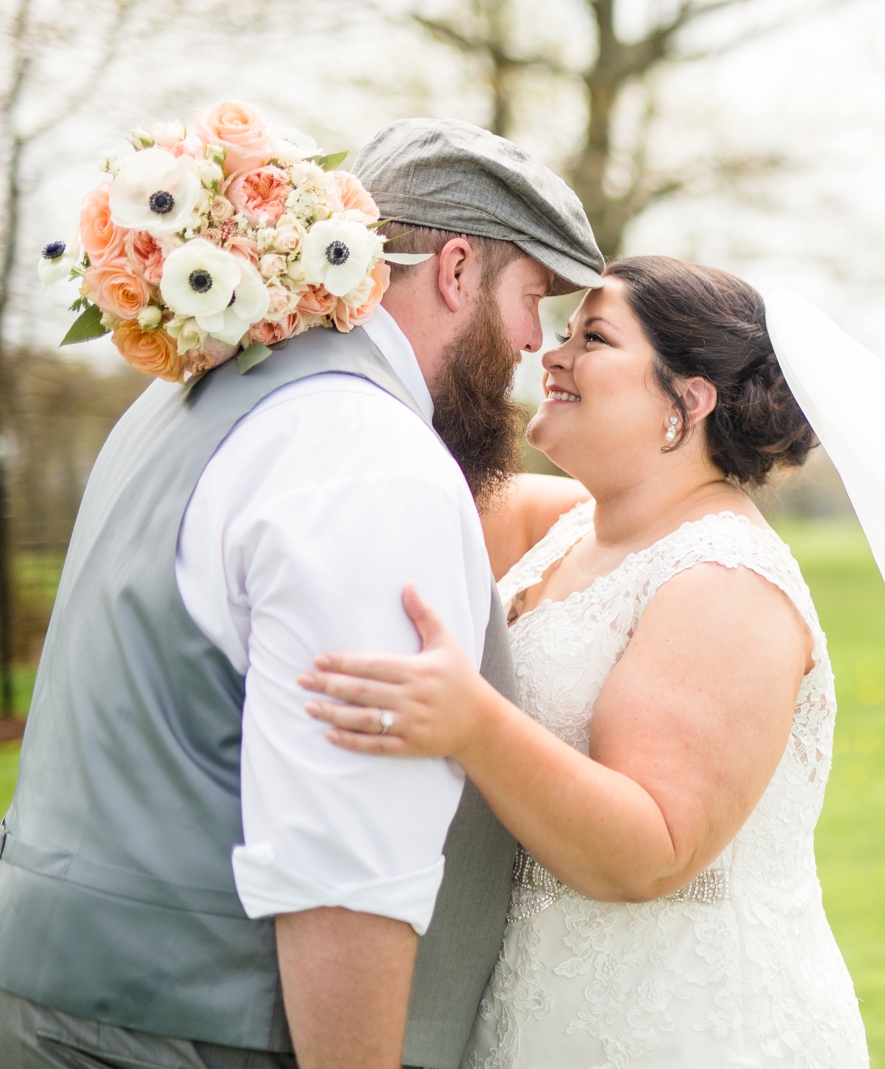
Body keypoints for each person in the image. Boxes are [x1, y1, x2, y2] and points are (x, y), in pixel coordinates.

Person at [0, 117, 605, 1069]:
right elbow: (345, 860)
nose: (536, 342)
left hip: (47, 1000)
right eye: (534, 297)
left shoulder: (179, 405)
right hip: (202, 1034)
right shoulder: (368, 454)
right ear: (455, 269)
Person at [301, 257, 868, 1068]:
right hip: (539, 1017)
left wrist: (472, 722)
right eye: (562, 331)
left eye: (592, 338)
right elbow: (410, 487)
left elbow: (654, 847)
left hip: (683, 1028)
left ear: (688, 401)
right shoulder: (574, 528)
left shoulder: (726, 581)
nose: (551, 356)